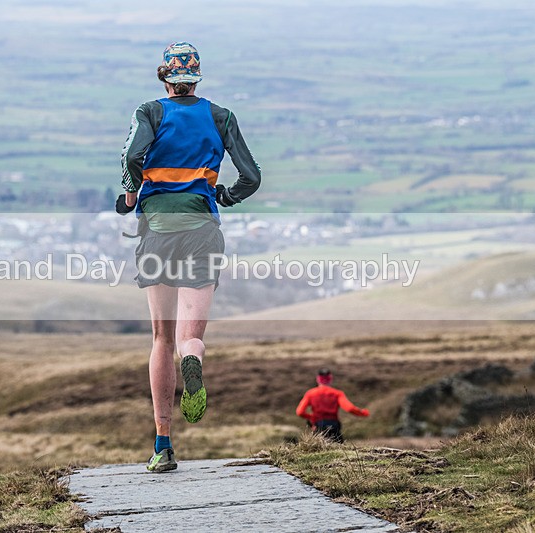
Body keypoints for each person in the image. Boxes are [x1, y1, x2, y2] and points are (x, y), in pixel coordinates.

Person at [117, 41, 261, 472]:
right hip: (202, 229)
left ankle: (163, 444)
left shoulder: (150, 112)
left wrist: (130, 193)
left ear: (164, 77)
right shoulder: (221, 117)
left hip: (158, 232)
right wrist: (227, 196)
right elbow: (251, 176)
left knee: (160, 338)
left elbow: (132, 155)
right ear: (197, 79)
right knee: (188, 337)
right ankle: (193, 359)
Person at [296, 369, 370, 443]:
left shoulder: (310, 393)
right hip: (334, 426)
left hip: (318, 425)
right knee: (340, 450)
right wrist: (364, 413)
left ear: (318, 379)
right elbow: (350, 408)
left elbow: (300, 412)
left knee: (318, 450)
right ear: (330, 379)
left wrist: (312, 417)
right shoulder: (337, 393)